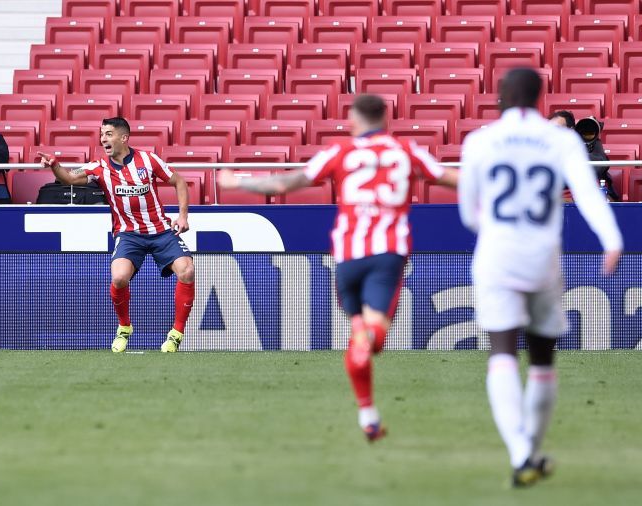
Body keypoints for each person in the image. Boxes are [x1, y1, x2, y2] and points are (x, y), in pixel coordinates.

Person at [218, 94, 459, 441]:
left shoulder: (339, 151)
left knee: (359, 332)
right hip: (388, 252)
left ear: (353, 120)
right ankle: (368, 354)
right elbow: (450, 178)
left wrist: (237, 181)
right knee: (372, 340)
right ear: (385, 119)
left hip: (347, 255)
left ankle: (368, 415)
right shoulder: (406, 150)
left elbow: (285, 183)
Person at [458, 68, 623, 487]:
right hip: (542, 258)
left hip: (496, 256)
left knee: (501, 354)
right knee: (543, 362)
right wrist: (611, 238)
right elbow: (587, 192)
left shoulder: (480, 141)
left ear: (500, 97)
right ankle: (529, 448)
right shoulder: (561, 139)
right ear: (539, 97)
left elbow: (467, 212)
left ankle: (520, 453)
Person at [38, 117, 195, 353]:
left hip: (160, 231)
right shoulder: (98, 167)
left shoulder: (148, 160)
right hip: (128, 234)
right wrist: (55, 165)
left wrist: (182, 216)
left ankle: (176, 333)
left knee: (187, 270)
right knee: (119, 278)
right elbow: (69, 177)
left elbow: (179, 181)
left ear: (124, 138)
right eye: (102, 134)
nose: (103, 139)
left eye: (109, 134)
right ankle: (124, 327)